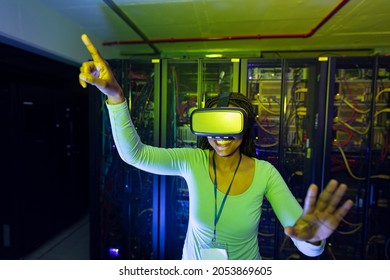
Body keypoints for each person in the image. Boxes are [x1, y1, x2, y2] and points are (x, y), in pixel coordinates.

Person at [79, 34, 354, 260]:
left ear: (245, 127)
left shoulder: (265, 173)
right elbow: (134, 154)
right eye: (215, 124)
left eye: (231, 124)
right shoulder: (193, 160)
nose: (221, 136)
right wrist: (115, 95)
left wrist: (313, 241)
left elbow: (300, 233)